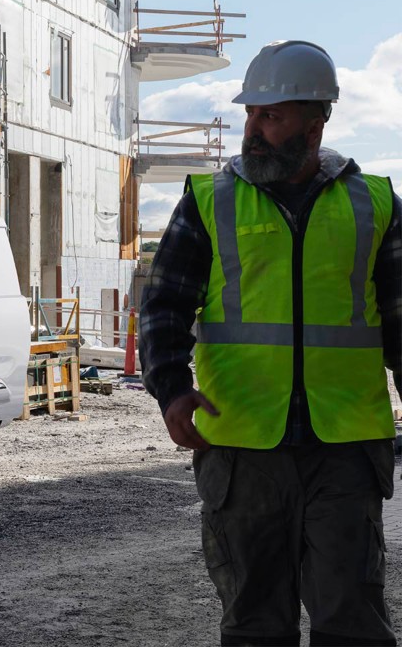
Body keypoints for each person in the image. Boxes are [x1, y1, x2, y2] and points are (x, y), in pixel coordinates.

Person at [140, 39, 402, 647]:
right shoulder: (209, 201)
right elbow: (165, 307)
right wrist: (172, 389)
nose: (253, 130)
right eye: (251, 114)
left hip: (345, 448)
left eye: (272, 116)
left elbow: (401, 320)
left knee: (354, 623)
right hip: (242, 447)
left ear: (317, 123)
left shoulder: (376, 204)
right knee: (256, 624)